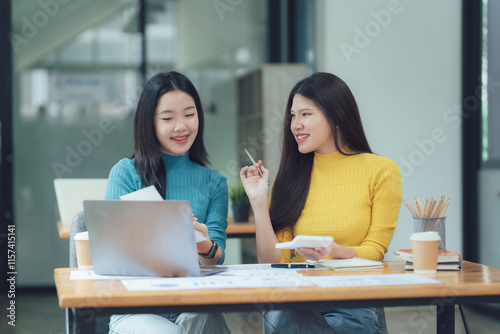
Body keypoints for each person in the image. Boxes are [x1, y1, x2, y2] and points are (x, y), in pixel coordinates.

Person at [240, 72, 402, 333]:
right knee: (294, 318)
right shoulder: (291, 177)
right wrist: (258, 201)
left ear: (336, 115)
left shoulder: (382, 171)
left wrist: (333, 251)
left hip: (352, 300)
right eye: (293, 116)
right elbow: (273, 259)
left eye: (305, 114)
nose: (295, 124)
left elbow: (375, 252)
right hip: (297, 299)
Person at [105, 71, 230, 334]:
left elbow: (215, 259)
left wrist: (202, 242)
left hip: (194, 303)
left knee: (210, 318)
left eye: (189, 114)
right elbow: (114, 256)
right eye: (168, 118)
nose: (181, 126)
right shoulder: (126, 173)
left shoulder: (214, 182)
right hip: (138, 307)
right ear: (149, 123)